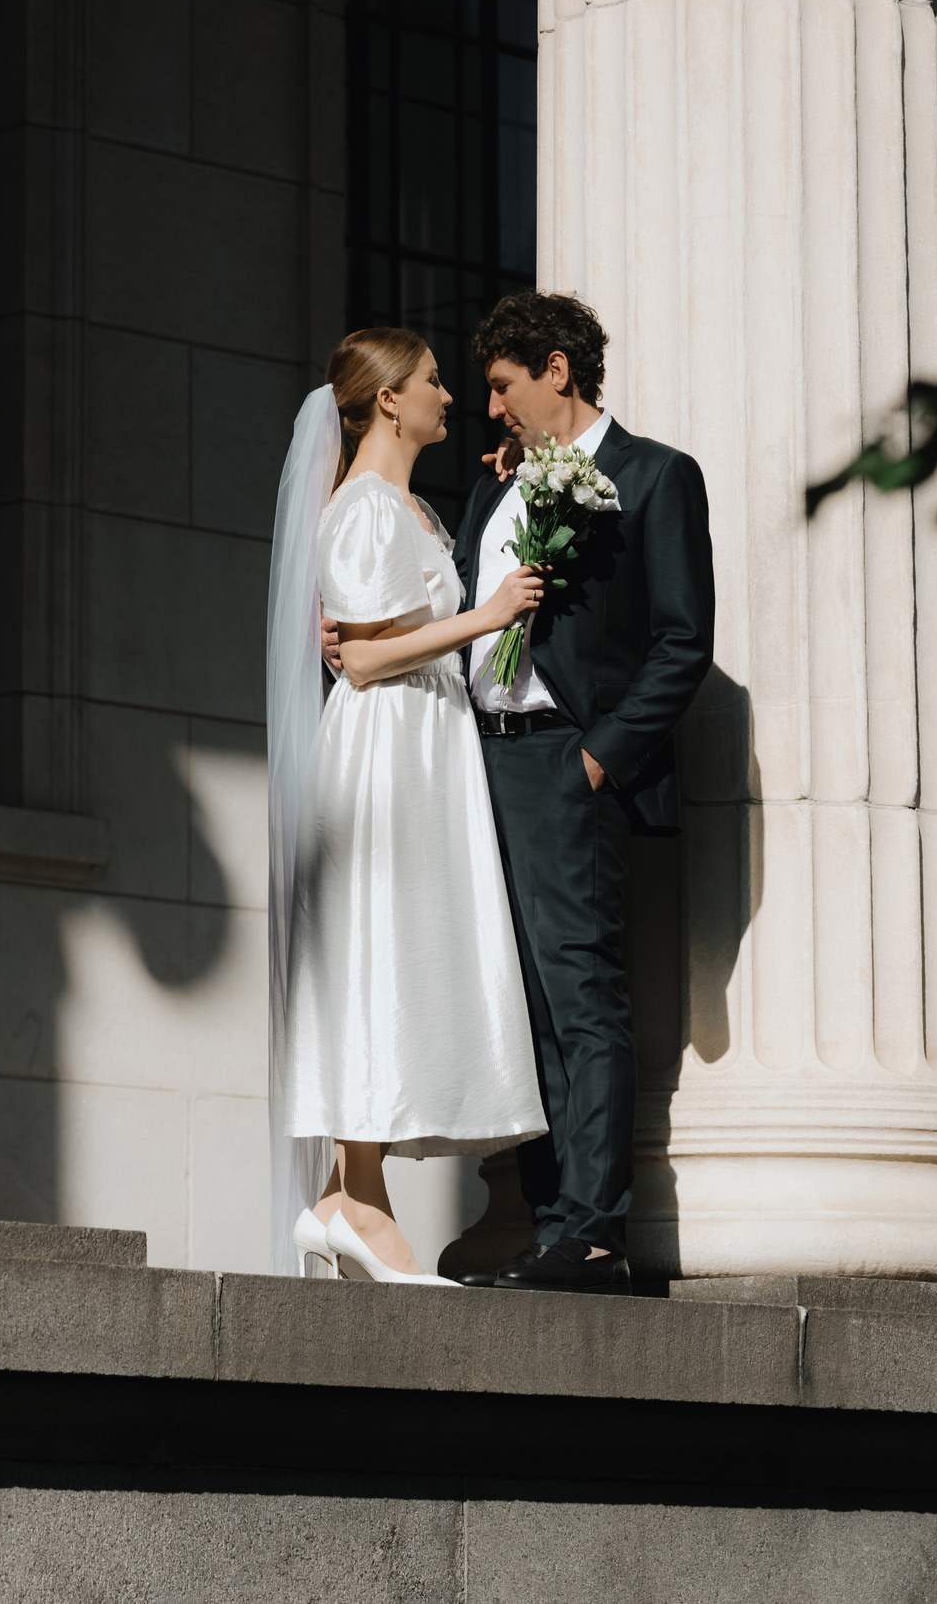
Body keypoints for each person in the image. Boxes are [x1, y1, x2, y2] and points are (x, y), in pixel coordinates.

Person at [325, 292, 715, 1294]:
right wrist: (359, 643)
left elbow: (681, 643)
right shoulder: (494, 495)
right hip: (470, 761)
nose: (488, 406)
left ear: (556, 370)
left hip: (560, 760)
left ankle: (591, 1228)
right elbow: (451, 609)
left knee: (580, 998)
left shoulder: (655, 476)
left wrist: (599, 757)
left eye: (501, 384)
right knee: (519, 1001)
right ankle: (545, 1221)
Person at [266, 328, 551, 1286]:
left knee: (395, 951)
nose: (449, 398)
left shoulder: (412, 509)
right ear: (388, 398)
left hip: (424, 743)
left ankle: (353, 1201)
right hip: (385, 747)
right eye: (433, 382)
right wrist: (490, 612)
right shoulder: (363, 512)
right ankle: (359, 1203)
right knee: (372, 948)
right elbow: (367, 657)